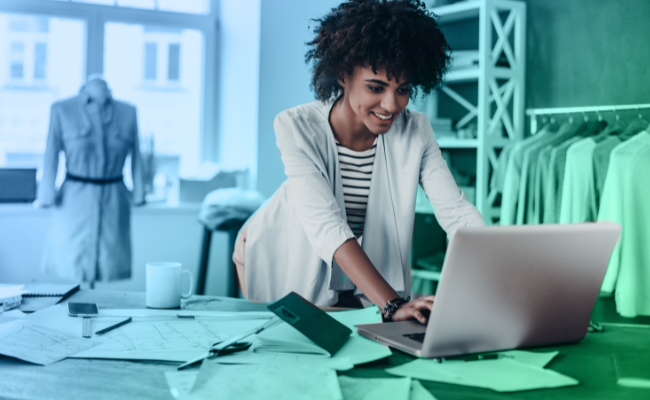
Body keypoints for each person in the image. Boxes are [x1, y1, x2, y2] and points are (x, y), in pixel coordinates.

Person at [233, 0, 484, 322]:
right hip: (280, 246)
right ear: (342, 75)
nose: (392, 104)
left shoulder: (416, 129)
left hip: (350, 262)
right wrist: (392, 304)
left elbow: (456, 211)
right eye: (376, 87)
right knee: (297, 344)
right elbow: (326, 225)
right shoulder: (295, 126)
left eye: (403, 89)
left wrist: (491, 275)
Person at [38, 75, 145, 285]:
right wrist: (46, 195)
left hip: (114, 197)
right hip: (74, 200)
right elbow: (50, 154)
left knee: (107, 261)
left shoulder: (128, 112)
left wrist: (140, 193)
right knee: (73, 262)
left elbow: (137, 156)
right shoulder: (61, 109)